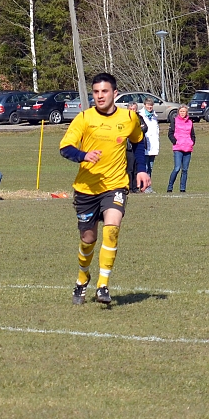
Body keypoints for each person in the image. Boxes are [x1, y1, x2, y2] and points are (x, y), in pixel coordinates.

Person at [59, 72, 149, 306]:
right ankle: (82, 279)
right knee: (88, 239)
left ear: (114, 94)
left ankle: (103, 285)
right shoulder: (84, 118)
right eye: (96, 92)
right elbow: (65, 148)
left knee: (112, 229)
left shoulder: (129, 118)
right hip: (86, 188)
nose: (99, 96)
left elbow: (139, 142)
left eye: (104, 91)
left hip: (116, 185)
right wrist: (83, 155)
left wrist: (141, 169)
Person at [167, 105, 196, 193]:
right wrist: (175, 141)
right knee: (177, 168)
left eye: (184, 111)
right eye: (181, 111)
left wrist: (192, 142)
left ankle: (182, 188)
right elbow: (170, 133)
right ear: (178, 112)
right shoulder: (174, 121)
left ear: (186, 112)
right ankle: (170, 187)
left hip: (188, 148)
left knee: (185, 170)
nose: (182, 113)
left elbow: (193, 135)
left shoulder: (190, 122)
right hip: (178, 148)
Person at [125, 102, 147, 193]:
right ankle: (129, 187)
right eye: (131, 109)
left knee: (135, 167)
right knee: (129, 168)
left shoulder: (139, 117)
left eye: (134, 109)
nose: (132, 110)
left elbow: (145, 128)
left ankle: (135, 187)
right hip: (128, 146)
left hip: (138, 145)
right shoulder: (125, 118)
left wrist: (139, 129)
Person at [138, 97, 159, 191]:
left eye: (151, 105)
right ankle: (144, 187)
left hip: (153, 146)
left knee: (150, 167)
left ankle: (148, 186)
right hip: (144, 144)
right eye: (148, 105)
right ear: (144, 105)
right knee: (145, 167)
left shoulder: (154, 116)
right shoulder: (141, 115)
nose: (150, 107)